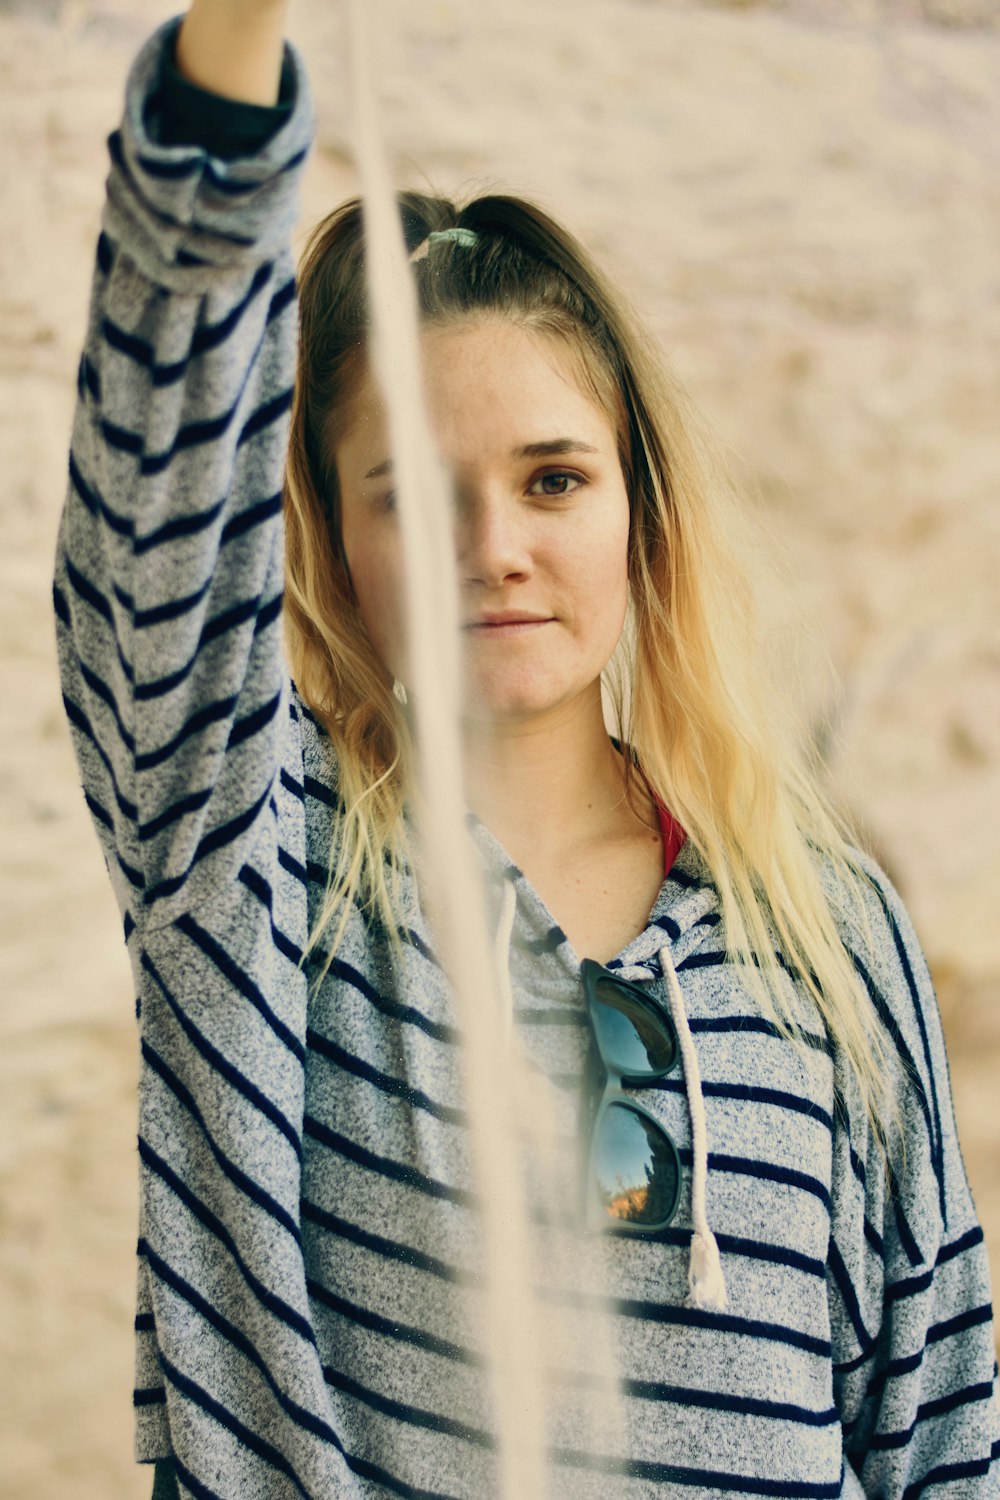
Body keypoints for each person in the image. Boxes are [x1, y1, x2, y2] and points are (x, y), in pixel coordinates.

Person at [53, 2, 999, 1496]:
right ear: (341, 542)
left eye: (553, 478)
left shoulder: (823, 925)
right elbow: (155, 478)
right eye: (418, 498)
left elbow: (941, 1426)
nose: (495, 548)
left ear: (640, 511)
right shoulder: (252, 863)